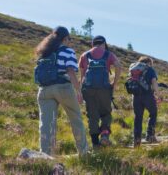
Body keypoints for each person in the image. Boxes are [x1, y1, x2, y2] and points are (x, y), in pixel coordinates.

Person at [34, 26, 88, 156]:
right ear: (64, 38)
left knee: (46, 123)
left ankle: (46, 155)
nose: (70, 41)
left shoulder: (44, 51)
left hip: (44, 90)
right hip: (63, 88)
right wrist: (78, 90)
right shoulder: (67, 51)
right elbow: (70, 71)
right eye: (69, 38)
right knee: (76, 119)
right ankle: (83, 153)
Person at [78, 35, 121, 149]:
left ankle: (95, 144)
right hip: (104, 89)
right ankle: (105, 135)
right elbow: (118, 66)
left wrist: (80, 92)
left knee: (92, 116)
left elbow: (81, 76)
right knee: (106, 113)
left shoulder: (85, 55)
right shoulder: (108, 54)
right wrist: (114, 83)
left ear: (93, 43)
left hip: (88, 89)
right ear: (103, 43)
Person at [130, 56, 159, 148]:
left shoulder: (134, 68)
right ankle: (150, 135)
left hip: (135, 96)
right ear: (149, 63)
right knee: (153, 113)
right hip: (147, 95)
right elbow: (154, 82)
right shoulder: (150, 69)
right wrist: (157, 94)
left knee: (138, 117)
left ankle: (136, 140)